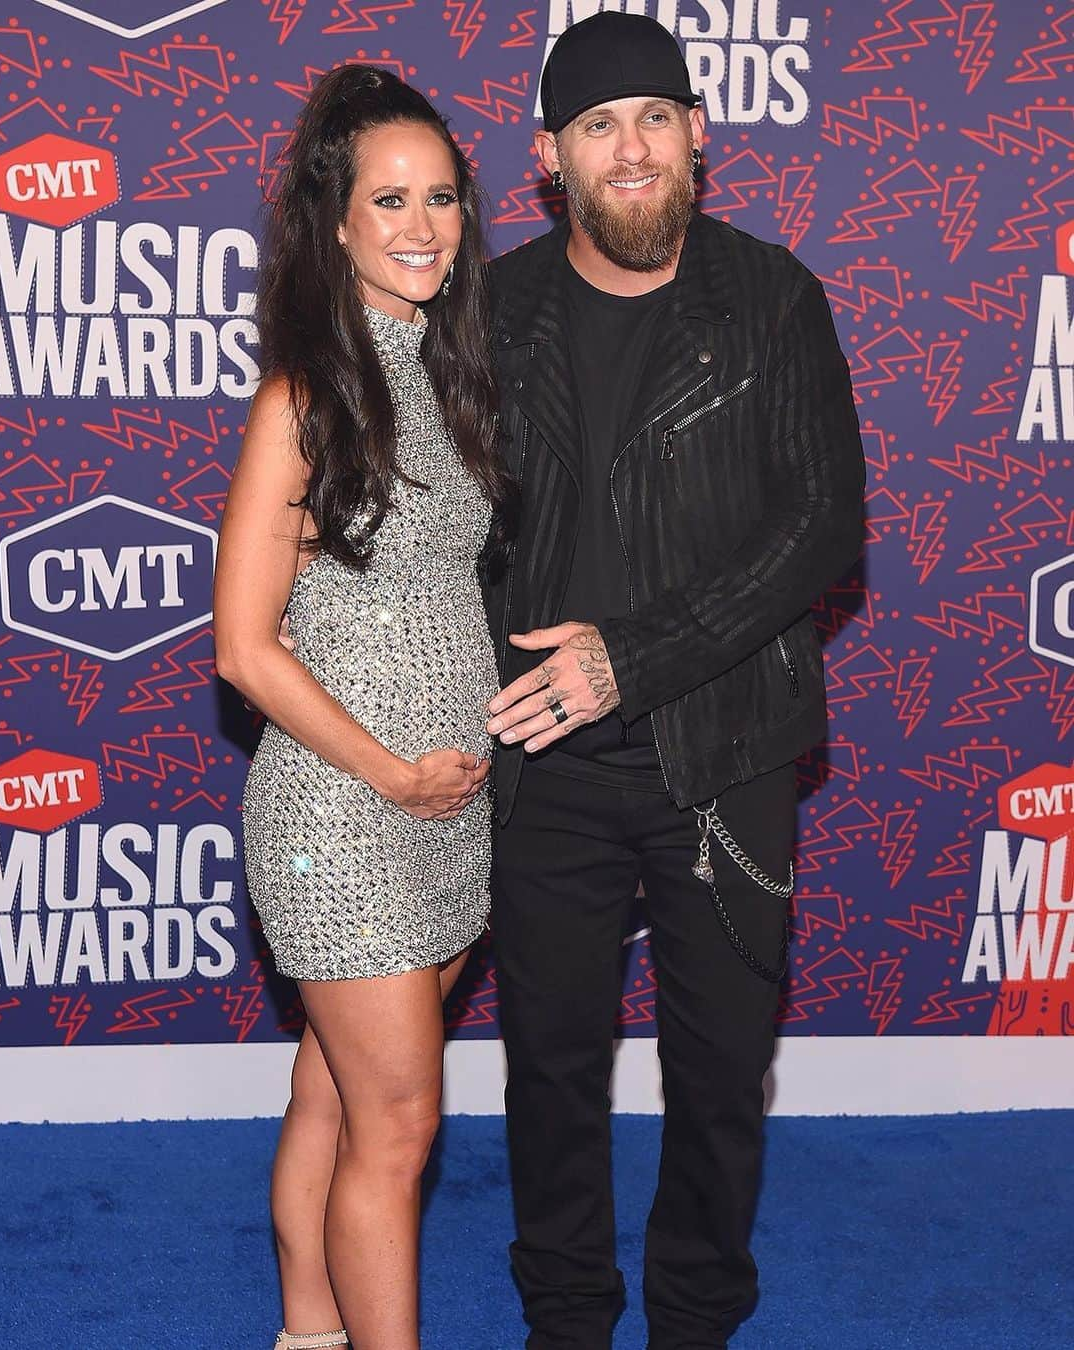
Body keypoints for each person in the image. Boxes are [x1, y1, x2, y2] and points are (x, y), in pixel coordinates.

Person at [483, 12, 865, 1349]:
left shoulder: (774, 299)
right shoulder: (495, 309)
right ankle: (567, 1320)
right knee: (551, 1073)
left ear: (699, 133)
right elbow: (438, 531)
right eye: (598, 125)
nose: (631, 147)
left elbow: (821, 531)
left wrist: (626, 660)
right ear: (551, 156)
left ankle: (697, 1316)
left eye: (654, 116)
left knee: (716, 1076)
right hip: (544, 761)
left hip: (728, 755)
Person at [213, 64, 512, 1350]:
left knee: (334, 1096)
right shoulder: (302, 399)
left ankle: (306, 1333)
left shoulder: (452, 385)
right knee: (398, 1128)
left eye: (441, 197)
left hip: (452, 810)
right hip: (343, 815)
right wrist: (392, 773)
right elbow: (243, 647)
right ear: (333, 222)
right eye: (388, 199)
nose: (421, 225)